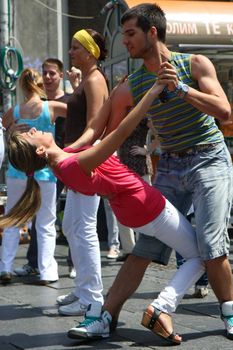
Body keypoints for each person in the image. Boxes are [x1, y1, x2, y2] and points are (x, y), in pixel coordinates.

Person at [59, 3, 233, 341]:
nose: (124, 41)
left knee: (211, 244)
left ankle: (229, 312)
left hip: (209, 159)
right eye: (124, 34)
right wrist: (65, 155)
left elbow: (224, 111)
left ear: (152, 32)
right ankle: (104, 318)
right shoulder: (131, 85)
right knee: (145, 247)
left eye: (130, 34)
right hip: (168, 164)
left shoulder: (193, 64)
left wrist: (182, 88)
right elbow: (103, 130)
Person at [1, 78, 206, 345]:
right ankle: (161, 306)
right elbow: (119, 133)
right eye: (31, 134)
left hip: (133, 211)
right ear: (40, 149)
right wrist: (152, 93)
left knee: (168, 251)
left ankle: (112, 312)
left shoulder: (65, 159)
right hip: (146, 205)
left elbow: (97, 129)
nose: (35, 130)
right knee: (200, 257)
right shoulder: (74, 164)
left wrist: (114, 96)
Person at [55, 28, 109, 317]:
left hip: (86, 162)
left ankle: (91, 298)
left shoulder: (96, 79)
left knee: (84, 229)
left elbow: (94, 128)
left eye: (75, 47)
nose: (71, 52)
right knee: (71, 227)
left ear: (89, 52)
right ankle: (82, 290)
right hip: (80, 161)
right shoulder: (87, 78)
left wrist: (68, 152)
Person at [0, 67, 67, 284]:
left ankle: (5, 268)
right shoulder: (52, 107)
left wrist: (11, 133)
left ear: (22, 85)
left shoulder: (15, 110)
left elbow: (3, 127)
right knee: (46, 222)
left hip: (17, 170)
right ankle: (47, 271)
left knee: (12, 218)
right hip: (45, 171)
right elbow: (80, 111)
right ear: (39, 84)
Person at [14, 58, 79, 279]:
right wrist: (13, 130)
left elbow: (85, 115)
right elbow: (8, 125)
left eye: (52, 73)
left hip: (65, 160)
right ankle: (37, 264)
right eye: (45, 73)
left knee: (69, 214)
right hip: (43, 166)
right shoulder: (38, 105)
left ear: (60, 76)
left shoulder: (66, 101)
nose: (48, 77)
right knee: (41, 216)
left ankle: (73, 263)